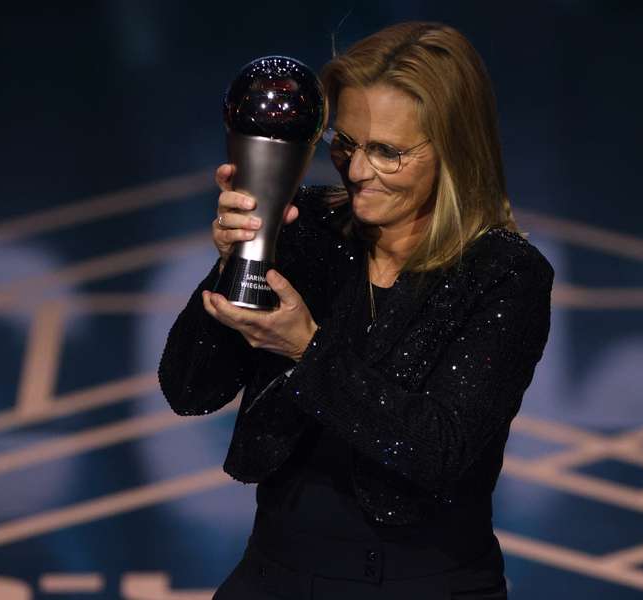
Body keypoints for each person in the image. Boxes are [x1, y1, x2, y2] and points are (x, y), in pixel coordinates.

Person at [158, 21, 554, 600]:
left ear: (455, 149)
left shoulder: (502, 273)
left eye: (388, 152)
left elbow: (437, 447)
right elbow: (188, 390)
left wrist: (306, 349)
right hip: (275, 575)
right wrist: (236, 260)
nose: (358, 170)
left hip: (422, 586)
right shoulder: (309, 228)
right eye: (345, 143)